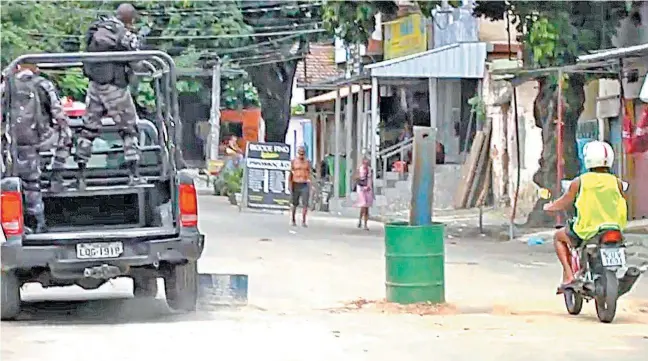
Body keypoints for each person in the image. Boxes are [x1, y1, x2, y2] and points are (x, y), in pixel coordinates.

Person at [543, 140, 627, 293]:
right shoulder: (617, 182)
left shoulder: (580, 182)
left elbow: (564, 201)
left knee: (558, 237)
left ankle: (569, 277)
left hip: (587, 230)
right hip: (614, 228)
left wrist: (550, 207)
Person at [76, 3, 142, 186]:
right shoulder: (124, 35)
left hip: (94, 86)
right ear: (130, 19)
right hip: (115, 87)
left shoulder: (97, 29)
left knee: (88, 130)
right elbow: (137, 62)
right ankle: (134, 175)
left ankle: (80, 175)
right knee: (129, 129)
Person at [8, 64, 73, 232]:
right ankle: (56, 177)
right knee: (66, 137)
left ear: (18, 67)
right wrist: (64, 131)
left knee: (25, 182)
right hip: (41, 141)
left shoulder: (7, 85)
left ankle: (31, 222)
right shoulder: (43, 84)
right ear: (35, 68)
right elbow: (59, 115)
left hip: (16, 144)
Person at [289, 145, 311, 227]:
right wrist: (290, 184)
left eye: (303, 153)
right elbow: (290, 173)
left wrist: (310, 183)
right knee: (294, 203)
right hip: (296, 183)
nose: (301, 155)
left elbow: (309, 173)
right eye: (300, 153)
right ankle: (293, 219)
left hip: (304, 183)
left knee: (305, 203)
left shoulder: (307, 162)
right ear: (298, 153)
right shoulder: (294, 161)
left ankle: (304, 221)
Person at [354, 157, 374, 230]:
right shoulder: (360, 169)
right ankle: (361, 221)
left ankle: (364, 223)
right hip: (361, 189)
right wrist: (360, 177)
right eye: (364, 163)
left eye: (367, 163)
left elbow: (371, 179)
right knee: (363, 205)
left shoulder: (370, 170)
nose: (366, 165)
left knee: (366, 207)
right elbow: (355, 178)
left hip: (368, 188)